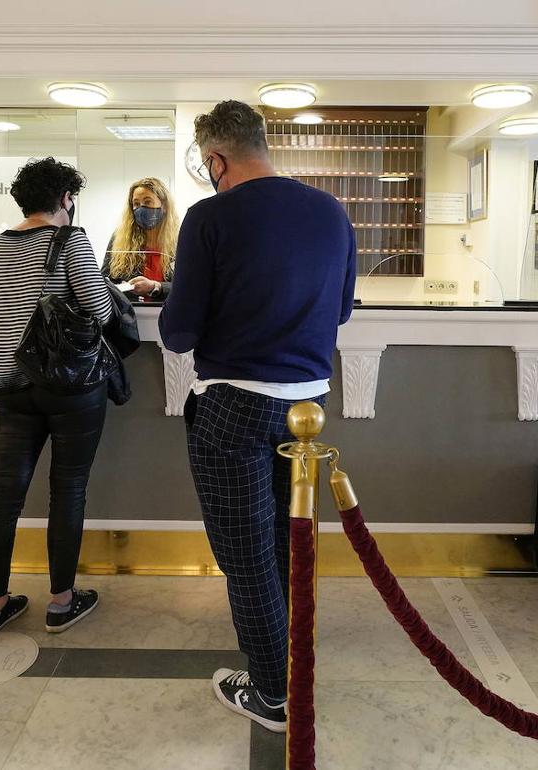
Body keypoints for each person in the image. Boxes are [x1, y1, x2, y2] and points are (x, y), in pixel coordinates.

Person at [159, 100, 356, 732]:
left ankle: (273, 694)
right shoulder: (329, 211)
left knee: (245, 554)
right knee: (286, 542)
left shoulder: (210, 217)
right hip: (309, 408)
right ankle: (290, 660)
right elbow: (343, 310)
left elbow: (179, 332)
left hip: (234, 406)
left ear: (215, 159)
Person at [0, 157, 113, 640]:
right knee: (67, 488)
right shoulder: (70, 239)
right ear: (66, 199)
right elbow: (99, 308)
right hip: (70, 387)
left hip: (10, 387)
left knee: (4, 492)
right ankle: (61, 602)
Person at [102, 177, 178, 301]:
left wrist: (156, 286)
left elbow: (189, 285)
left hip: (167, 314)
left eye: (147, 202)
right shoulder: (119, 238)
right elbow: (105, 280)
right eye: (136, 204)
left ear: (164, 206)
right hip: (132, 314)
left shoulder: (179, 240)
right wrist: (126, 288)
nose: (141, 208)